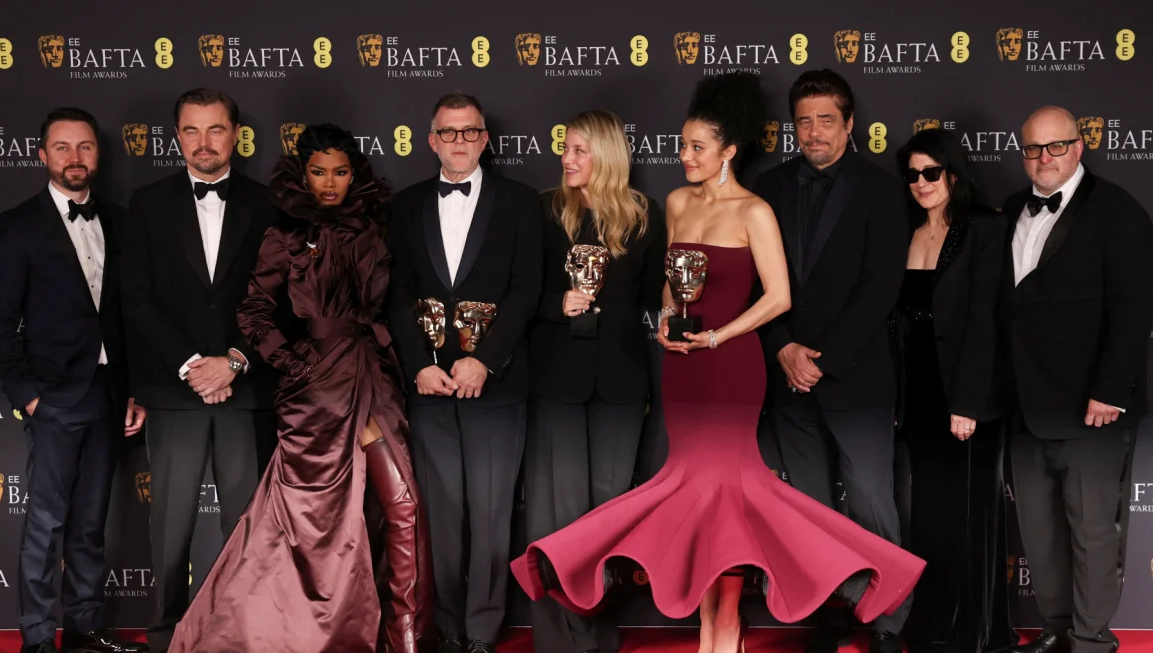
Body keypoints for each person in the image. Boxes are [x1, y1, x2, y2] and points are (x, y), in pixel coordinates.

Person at [511, 72, 923, 653]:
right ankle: (708, 624)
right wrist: (667, 326)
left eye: (695, 147)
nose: (683, 157)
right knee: (695, 501)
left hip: (733, 370)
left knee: (732, 499)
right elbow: (668, 290)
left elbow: (777, 297)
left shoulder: (756, 210)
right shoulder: (675, 204)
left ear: (728, 151)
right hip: (684, 371)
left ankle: (742, 622)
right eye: (681, 146)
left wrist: (719, 338)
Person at [166, 124, 432, 653]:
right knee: (316, 525)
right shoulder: (285, 234)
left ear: (353, 173)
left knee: (402, 507)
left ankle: (407, 640)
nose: (329, 184)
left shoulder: (378, 226)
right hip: (315, 392)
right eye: (318, 172)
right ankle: (304, 633)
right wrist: (291, 363)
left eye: (339, 172)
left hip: (374, 377)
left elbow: (394, 301)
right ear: (301, 174)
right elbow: (256, 312)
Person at [749, 68, 910, 653]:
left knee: (871, 501)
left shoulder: (882, 189)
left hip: (857, 375)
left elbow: (880, 287)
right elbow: (751, 284)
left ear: (848, 124)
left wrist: (825, 358)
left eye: (825, 120)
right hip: (787, 376)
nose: (813, 131)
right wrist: (784, 348)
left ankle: (889, 620)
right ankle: (826, 613)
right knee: (809, 509)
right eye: (803, 121)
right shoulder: (765, 187)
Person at [0, 107, 148, 653]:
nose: (75, 158)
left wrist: (132, 390)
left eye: (84, 147)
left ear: (97, 155)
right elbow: (1, 319)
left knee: (89, 523)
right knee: (46, 524)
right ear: (42, 155)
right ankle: (35, 638)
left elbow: (127, 318)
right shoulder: (19, 224)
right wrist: (25, 395)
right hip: (52, 398)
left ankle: (82, 629)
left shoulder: (120, 221)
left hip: (106, 396)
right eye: (62, 147)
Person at [122, 88, 278, 653]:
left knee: (246, 525)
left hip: (246, 390)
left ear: (235, 134)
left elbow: (281, 299)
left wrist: (233, 361)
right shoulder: (147, 203)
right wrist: (193, 366)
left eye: (215, 129)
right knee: (169, 528)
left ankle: (243, 633)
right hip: (175, 389)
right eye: (192, 130)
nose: (204, 142)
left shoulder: (268, 205)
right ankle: (166, 636)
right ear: (177, 136)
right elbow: (136, 299)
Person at [386, 92, 542, 653]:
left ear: (484, 139)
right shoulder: (403, 207)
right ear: (431, 140)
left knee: (494, 514)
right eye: (448, 132)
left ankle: (481, 631)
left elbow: (528, 290)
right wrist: (420, 367)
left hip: (496, 386)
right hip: (429, 390)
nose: (458, 141)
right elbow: (396, 293)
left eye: (469, 132)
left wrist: (485, 358)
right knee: (441, 519)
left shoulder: (522, 203)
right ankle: (447, 628)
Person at [997, 106, 1153, 653]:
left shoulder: (1119, 212)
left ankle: (1091, 640)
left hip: (1092, 405)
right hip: (1023, 402)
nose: (1043, 159)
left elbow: (1133, 311)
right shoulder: (1012, 209)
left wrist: (1110, 391)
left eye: (1055, 147)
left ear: (1080, 146)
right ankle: (1056, 626)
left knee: (1092, 533)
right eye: (1032, 149)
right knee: (1039, 534)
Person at [524, 109, 666, 653]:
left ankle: (596, 630)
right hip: (558, 381)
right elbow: (518, 294)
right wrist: (557, 305)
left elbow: (659, 300)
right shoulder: (543, 210)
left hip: (622, 386)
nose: (567, 158)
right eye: (566, 148)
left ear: (606, 154)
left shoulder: (644, 215)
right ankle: (562, 640)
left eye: (580, 150)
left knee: (607, 513)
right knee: (558, 514)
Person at [890, 128, 1014, 653]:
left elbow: (987, 318)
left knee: (970, 515)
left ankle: (975, 633)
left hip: (965, 396)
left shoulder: (982, 228)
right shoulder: (909, 231)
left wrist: (967, 403)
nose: (921, 183)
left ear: (953, 174)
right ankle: (936, 625)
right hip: (917, 392)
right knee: (933, 516)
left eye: (931, 172)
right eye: (913, 174)